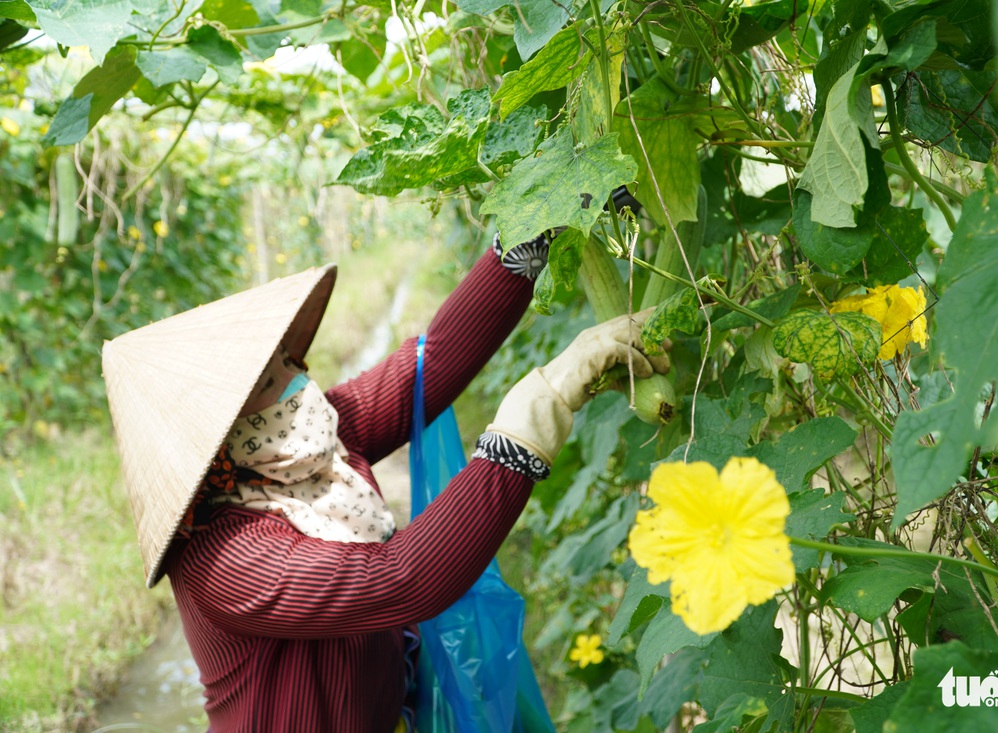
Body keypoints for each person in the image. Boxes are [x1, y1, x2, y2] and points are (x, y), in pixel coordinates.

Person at [102, 231, 668, 732]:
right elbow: (400, 580)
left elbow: (428, 366)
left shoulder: (313, 452)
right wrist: (536, 412)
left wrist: (529, 235)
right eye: (273, 381)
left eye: (289, 362)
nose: (302, 384)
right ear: (222, 438)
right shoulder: (225, 562)